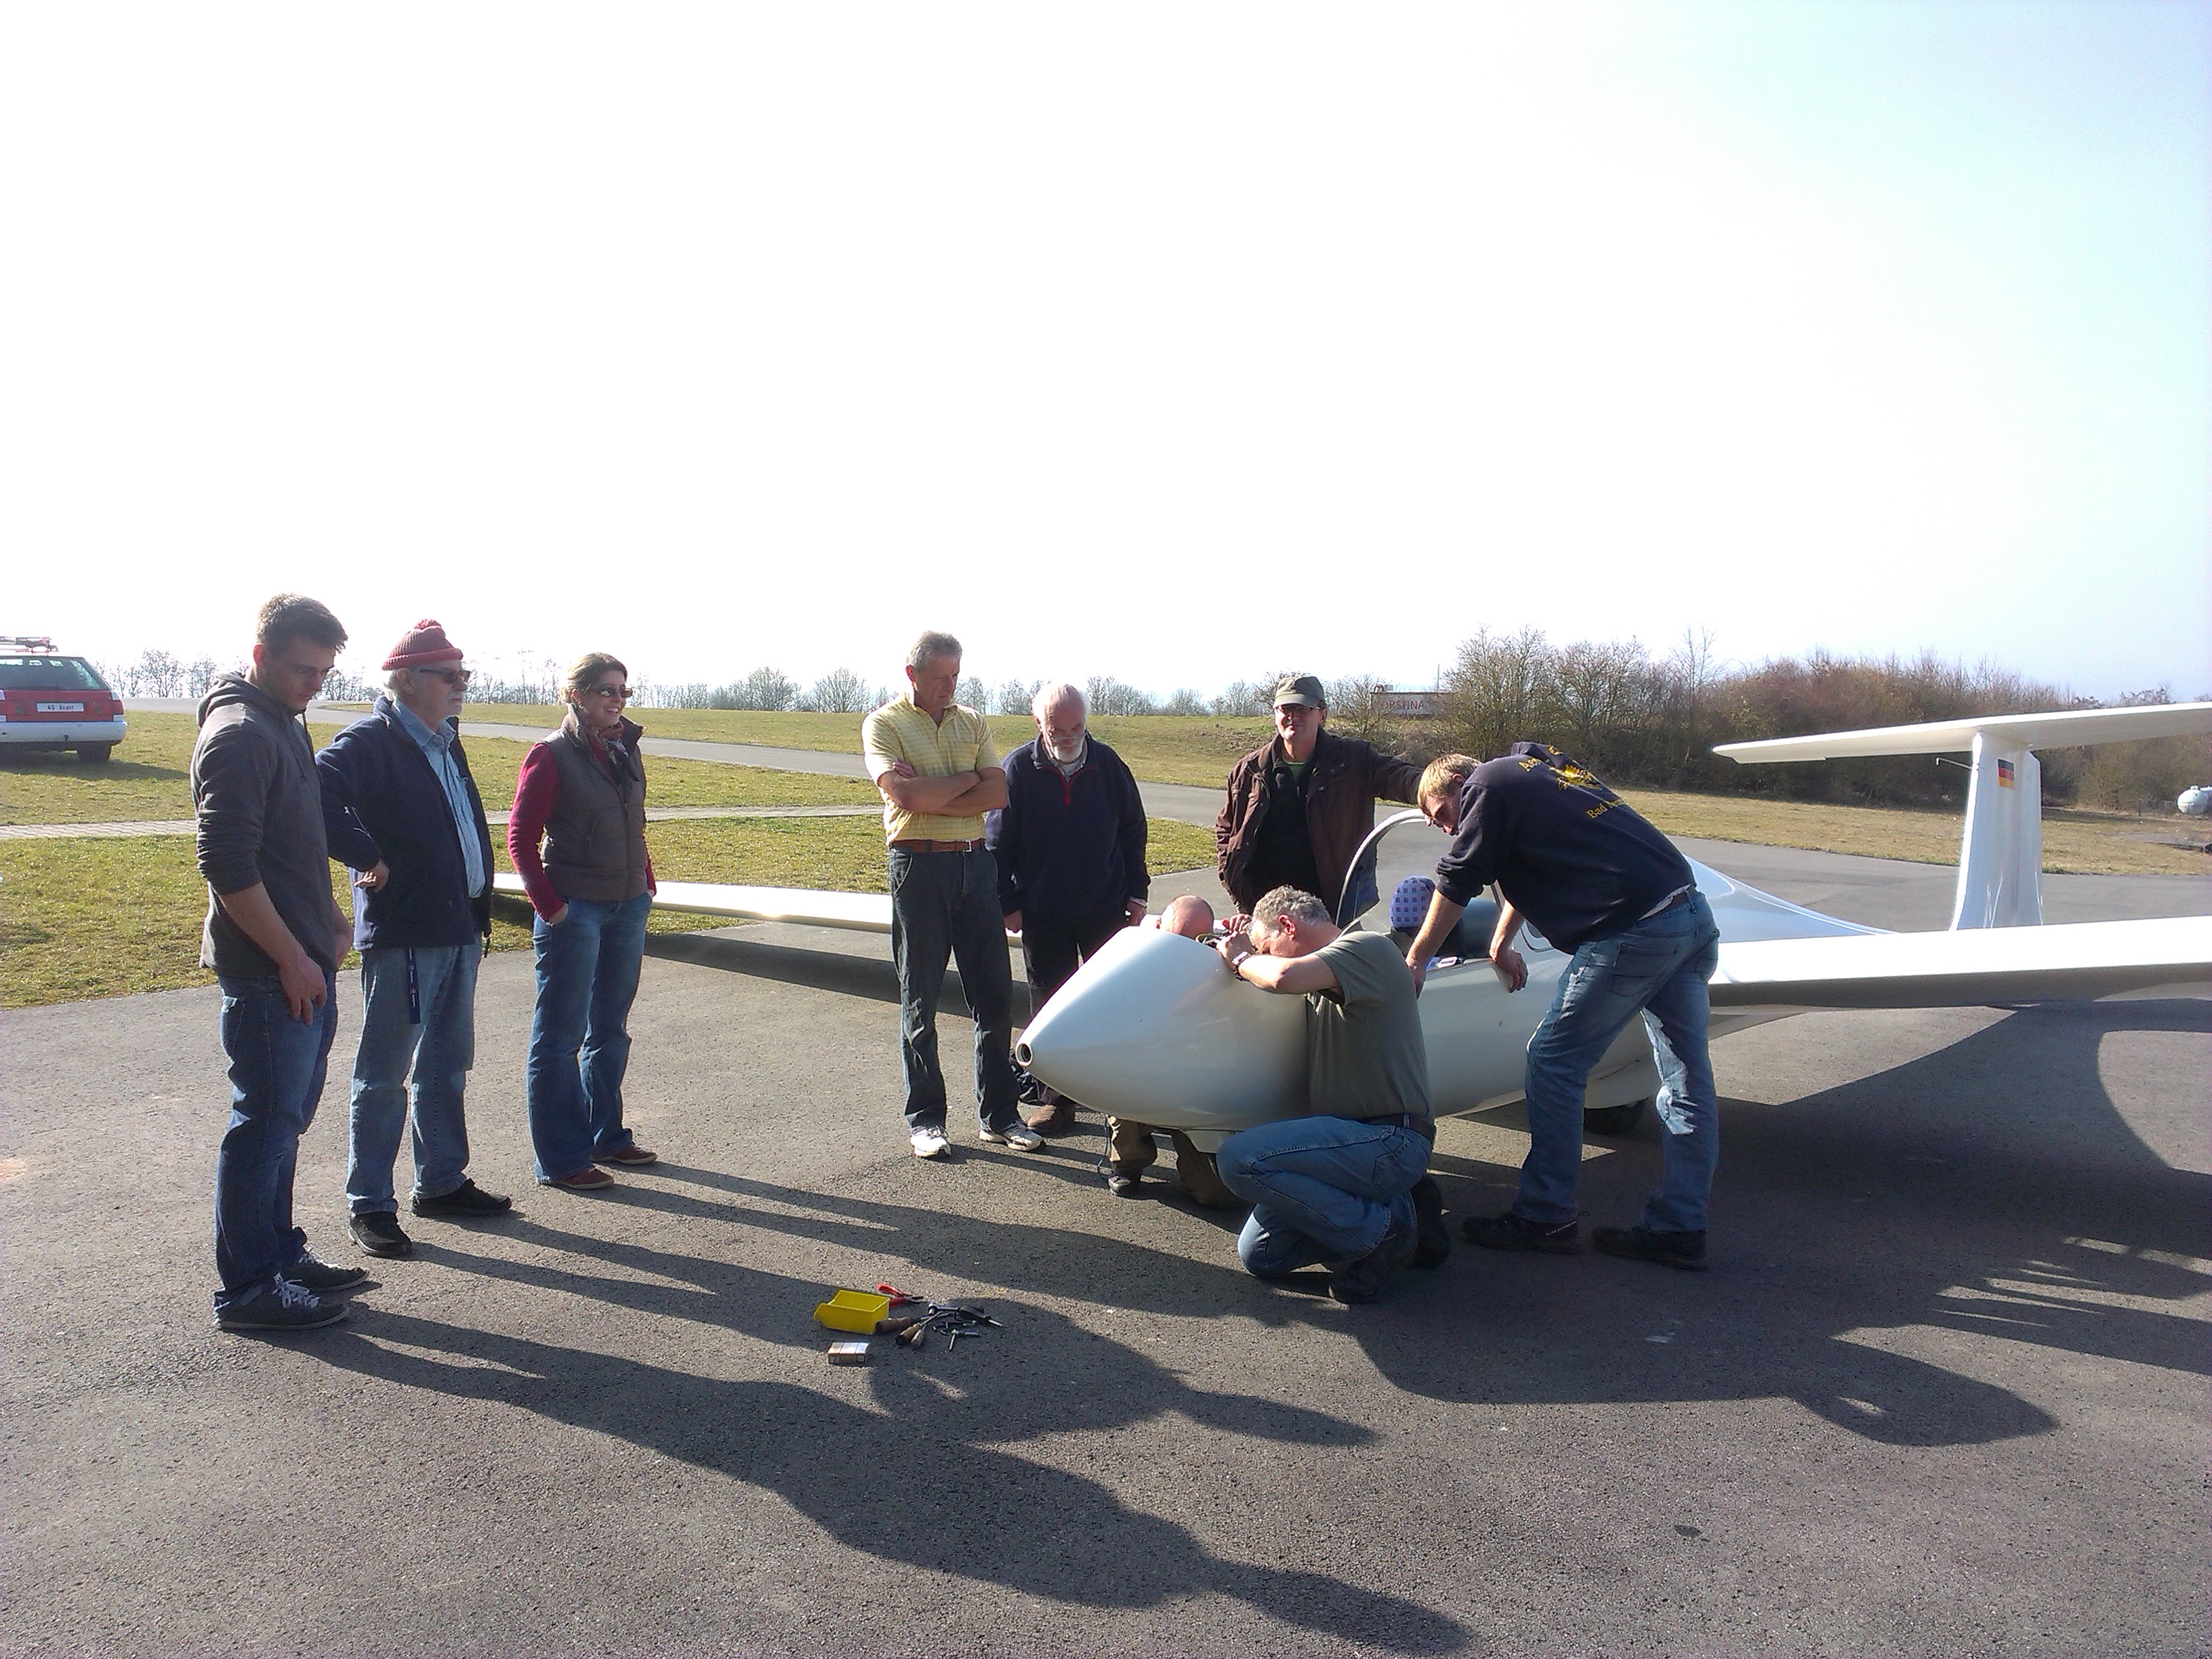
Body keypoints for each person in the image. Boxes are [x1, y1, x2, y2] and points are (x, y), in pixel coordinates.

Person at [1405, 745, 1721, 1270]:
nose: (1445, 828)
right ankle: (1680, 1228)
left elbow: (1458, 878)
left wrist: (1415, 961)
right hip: (1687, 915)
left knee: (1554, 1062)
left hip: (1634, 928)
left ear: (1459, 783)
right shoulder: (1532, 777)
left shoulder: (1486, 785)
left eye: (1440, 813)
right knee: (1687, 1078)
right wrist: (1501, 942)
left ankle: (1545, 1215)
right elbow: (1524, 871)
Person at [192, 594, 364, 1331]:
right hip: (270, 973)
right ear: (261, 655)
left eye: (324, 674)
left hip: (303, 959)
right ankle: (249, 1289)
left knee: (284, 1124)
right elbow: (226, 865)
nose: (313, 685)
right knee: (262, 1126)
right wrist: (292, 957)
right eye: (302, 670)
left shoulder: (284, 720)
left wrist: (328, 918)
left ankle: (280, 1257)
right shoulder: (239, 735)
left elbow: (290, 841)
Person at [316, 619, 510, 1258]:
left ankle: (442, 1182)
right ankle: (370, 1203)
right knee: (383, 1074)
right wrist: (365, 852)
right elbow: (312, 793)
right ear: (405, 680)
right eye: (447, 676)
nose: (460, 685)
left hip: (459, 927)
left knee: (447, 1064)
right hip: (405, 933)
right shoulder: (370, 741)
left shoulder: (446, 741)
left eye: (464, 675)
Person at [1209, 886, 1447, 1303]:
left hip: (1390, 1139)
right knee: (1262, 1254)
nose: (1265, 956)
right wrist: (1247, 937)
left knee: (1238, 1159)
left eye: (1268, 947)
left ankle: (1381, 1235)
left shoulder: (1369, 948)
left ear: (1288, 926)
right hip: (1346, 1146)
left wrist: (1243, 958)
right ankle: (1407, 1214)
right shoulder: (1325, 980)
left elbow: (1281, 976)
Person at [862, 632, 1032, 1158]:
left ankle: (1000, 1115)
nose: (949, 686)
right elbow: (905, 795)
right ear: (912, 674)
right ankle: (926, 1120)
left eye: (956, 675)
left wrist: (937, 788)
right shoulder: (884, 724)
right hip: (918, 865)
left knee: (994, 996)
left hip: (975, 864)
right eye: (940, 677)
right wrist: (966, 780)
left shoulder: (972, 721)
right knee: (922, 995)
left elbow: (997, 793)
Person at [508, 652, 660, 1191]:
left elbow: (633, 824)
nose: (616, 700)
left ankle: (606, 1135)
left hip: (627, 906)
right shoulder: (550, 755)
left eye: (623, 690)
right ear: (576, 695)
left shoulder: (625, 748)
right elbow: (520, 839)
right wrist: (551, 907)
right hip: (575, 910)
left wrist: (646, 881)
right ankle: (561, 1159)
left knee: (611, 1029)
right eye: (605, 690)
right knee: (560, 1038)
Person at [989, 682, 1148, 1139]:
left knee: (1108, 1001)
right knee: (1050, 1007)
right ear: (1039, 723)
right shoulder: (1018, 769)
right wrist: (1008, 903)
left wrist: (1137, 894)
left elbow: (1133, 830)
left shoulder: (1109, 765)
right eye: (1057, 729)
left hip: (1105, 907)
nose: (1068, 736)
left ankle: (1116, 1097)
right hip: (1042, 912)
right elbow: (998, 843)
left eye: (1077, 727)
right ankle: (1055, 1101)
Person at [1215, 674, 1424, 918]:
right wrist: (1241, 899)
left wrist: (1435, 789)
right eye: (1285, 709)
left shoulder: (1354, 760)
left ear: (1322, 714)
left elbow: (1402, 778)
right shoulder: (1249, 770)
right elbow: (1225, 831)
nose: (1293, 716)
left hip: (1333, 909)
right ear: (1275, 714)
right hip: (1264, 910)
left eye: (1303, 709)